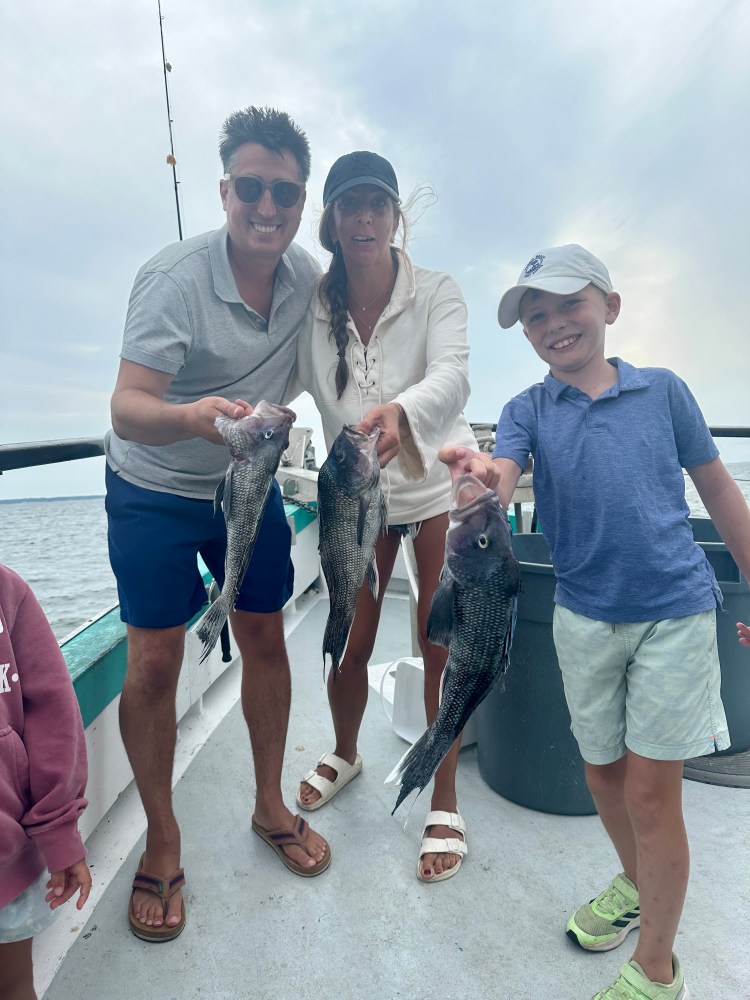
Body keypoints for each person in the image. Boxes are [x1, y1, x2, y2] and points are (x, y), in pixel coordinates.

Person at [440, 243, 750, 998]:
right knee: (603, 776)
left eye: (569, 304)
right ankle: (636, 882)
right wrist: (482, 480)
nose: (554, 324)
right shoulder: (527, 410)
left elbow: (719, 493)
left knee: (651, 793)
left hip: (674, 613)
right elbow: (503, 472)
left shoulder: (665, 392)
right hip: (584, 618)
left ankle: (657, 968)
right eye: (535, 315)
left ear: (610, 307)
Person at [104, 106, 329, 942]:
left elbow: (351, 346)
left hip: (248, 477)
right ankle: (163, 837)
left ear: (302, 202)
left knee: (265, 634)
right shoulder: (175, 279)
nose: (267, 207)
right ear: (224, 188)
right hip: (154, 483)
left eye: (286, 192)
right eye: (251, 188)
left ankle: (269, 802)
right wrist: (193, 415)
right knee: (156, 661)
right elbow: (127, 409)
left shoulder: (305, 276)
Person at [286, 151, 478, 882]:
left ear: (397, 215)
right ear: (331, 221)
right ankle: (345, 750)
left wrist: (402, 412)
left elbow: (453, 373)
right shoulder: (313, 306)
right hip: (351, 500)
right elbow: (279, 373)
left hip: (430, 493)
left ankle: (445, 794)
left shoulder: (437, 291)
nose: (363, 217)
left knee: (439, 645)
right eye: (348, 205)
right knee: (349, 636)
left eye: (377, 204)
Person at [0, 564, 91, 1000]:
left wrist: (59, 831)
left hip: (7, 860)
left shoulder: (7, 591)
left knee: (15, 984)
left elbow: (53, 715)